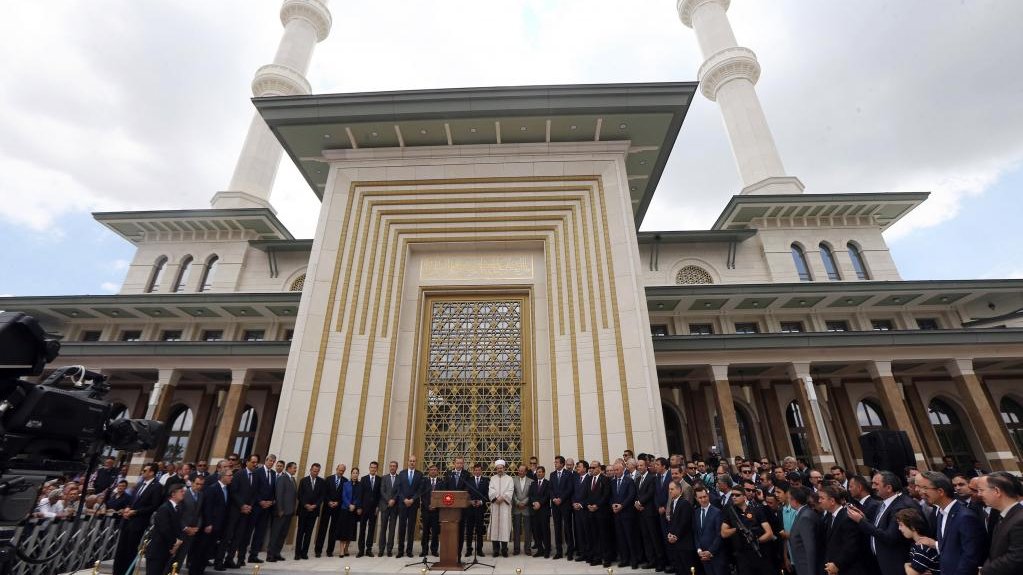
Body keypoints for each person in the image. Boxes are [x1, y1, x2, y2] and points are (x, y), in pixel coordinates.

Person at [915, 470, 985, 575]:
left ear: (940, 491)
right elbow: (950, 547)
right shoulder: (940, 514)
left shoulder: (965, 517)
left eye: (924, 488)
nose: (919, 491)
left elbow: (971, 557)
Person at [846, 471, 914, 575]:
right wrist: (864, 519)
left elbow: (890, 537)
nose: (872, 487)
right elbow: (879, 529)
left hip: (897, 564)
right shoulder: (883, 503)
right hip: (884, 563)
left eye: (876, 484)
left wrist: (861, 521)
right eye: (872, 483)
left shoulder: (900, 506)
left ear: (889, 488)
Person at [112, 463, 164, 575]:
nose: (142, 472)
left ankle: (127, 572)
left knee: (130, 550)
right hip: (127, 521)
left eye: (145, 470)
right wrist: (127, 509)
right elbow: (132, 500)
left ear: (151, 472)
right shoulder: (140, 484)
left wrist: (135, 512)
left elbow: (154, 506)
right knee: (121, 549)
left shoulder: (157, 486)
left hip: (138, 523)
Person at [721, 485, 774, 575]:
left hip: (759, 553)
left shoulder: (756, 510)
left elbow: (769, 533)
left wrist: (756, 540)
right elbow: (723, 533)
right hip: (742, 556)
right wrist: (737, 529)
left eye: (737, 495)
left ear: (744, 497)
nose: (734, 497)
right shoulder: (730, 512)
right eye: (732, 495)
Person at [977, 471, 1023, 575]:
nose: (979, 494)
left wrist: (985, 571)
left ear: (997, 491)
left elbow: (1016, 558)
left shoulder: (1020, 519)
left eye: (981, 490)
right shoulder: (1003, 516)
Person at [817, 484, 866, 575]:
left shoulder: (846, 517)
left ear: (832, 501)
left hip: (850, 569)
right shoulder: (830, 517)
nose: (819, 501)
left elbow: (851, 546)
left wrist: (837, 565)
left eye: (822, 498)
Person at [147, 483, 186, 575]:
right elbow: (165, 530)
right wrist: (174, 545)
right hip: (158, 552)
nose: (183, 493)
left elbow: (177, 527)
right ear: (173, 494)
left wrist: (179, 541)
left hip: (166, 551)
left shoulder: (178, 509)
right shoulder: (164, 508)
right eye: (181, 491)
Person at [635, 458, 664, 570]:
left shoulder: (652, 477)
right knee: (646, 538)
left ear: (646, 466)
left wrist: (640, 502)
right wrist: (637, 503)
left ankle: (660, 562)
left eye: (641, 465)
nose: (639, 467)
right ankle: (651, 560)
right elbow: (637, 494)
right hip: (641, 513)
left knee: (655, 538)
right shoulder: (637, 479)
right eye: (638, 466)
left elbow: (651, 492)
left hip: (650, 512)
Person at [248, 454, 277, 563]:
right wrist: (260, 501)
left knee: (260, 533)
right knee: (249, 531)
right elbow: (254, 489)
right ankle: (241, 555)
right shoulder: (257, 472)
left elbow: (274, 490)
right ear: (266, 460)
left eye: (273, 462)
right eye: (270, 461)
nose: (271, 463)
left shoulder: (274, 474)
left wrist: (271, 501)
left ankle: (253, 555)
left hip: (267, 509)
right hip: (256, 507)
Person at [582, 459, 612, 567]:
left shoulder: (605, 479)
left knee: (604, 536)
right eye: (590, 467)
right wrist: (588, 505)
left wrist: (597, 505)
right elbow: (585, 495)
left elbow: (606, 495)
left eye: (593, 467)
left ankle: (607, 558)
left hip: (601, 512)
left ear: (599, 468)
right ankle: (597, 557)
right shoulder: (589, 479)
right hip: (591, 512)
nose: (591, 469)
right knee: (594, 535)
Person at [203, 469, 233, 572]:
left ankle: (218, 563)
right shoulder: (213, 488)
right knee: (208, 544)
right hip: (213, 523)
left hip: (223, 523)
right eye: (229, 475)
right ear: (223, 477)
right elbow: (208, 507)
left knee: (222, 544)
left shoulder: (228, 489)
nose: (231, 477)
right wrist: (208, 523)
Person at [894, 507, 940, 575]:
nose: (899, 528)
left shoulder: (922, 546)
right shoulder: (916, 544)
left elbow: (912, 574)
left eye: (901, 525)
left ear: (912, 527)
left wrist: (906, 565)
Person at [611, 461, 639, 569]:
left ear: (622, 470)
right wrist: (613, 505)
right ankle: (624, 559)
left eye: (617, 470)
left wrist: (622, 505)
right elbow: (611, 496)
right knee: (621, 538)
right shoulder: (613, 482)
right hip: (617, 514)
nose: (615, 472)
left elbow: (631, 495)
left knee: (630, 537)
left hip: (627, 513)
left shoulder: (629, 480)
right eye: (614, 470)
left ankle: (634, 560)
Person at [663, 480, 695, 575]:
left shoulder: (684, 503)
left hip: (685, 543)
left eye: (672, 489)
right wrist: (670, 533)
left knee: (687, 569)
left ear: (679, 490)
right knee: (679, 568)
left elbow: (684, 523)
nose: (670, 491)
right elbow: (673, 522)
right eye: (669, 489)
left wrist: (675, 536)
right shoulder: (673, 503)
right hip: (677, 543)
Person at [268, 461, 297, 562]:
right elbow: (279, 495)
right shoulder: (282, 478)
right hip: (281, 512)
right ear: (288, 468)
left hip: (289, 512)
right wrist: (280, 509)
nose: (295, 470)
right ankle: (270, 554)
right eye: (294, 468)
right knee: (276, 533)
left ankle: (277, 553)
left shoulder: (292, 479)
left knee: (283, 534)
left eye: (296, 468)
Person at [396, 455, 424, 558]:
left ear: (415, 462)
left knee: (411, 528)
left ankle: (409, 551)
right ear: (408, 462)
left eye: (414, 461)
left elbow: (420, 490)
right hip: (403, 504)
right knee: (402, 528)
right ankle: (400, 551)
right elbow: (398, 489)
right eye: (410, 461)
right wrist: (404, 499)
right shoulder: (402, 474)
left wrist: (412, 499)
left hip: (413, 504)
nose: (412, 462)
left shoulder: (419, 474)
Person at [694, 485, 726, 575]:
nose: (703, 500)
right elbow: (696, 533)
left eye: (705, 497)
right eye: (700, 498)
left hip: (716, 556)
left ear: (708, 496)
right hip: (703, 556)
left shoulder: (717, 512)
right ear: (696, 498)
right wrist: (699, 550)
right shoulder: (696, 513)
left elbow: (719, 534)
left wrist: (710, 551)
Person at [296, 463, 325, 560]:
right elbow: (300, 495)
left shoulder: (321, 482)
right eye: (314, 470)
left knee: (309, 533)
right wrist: (306, 505)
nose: (315, 472)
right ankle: (297, 553)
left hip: (314, 511)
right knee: (300, 532)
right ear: (310, 470)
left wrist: (315, 505)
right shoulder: (303, 480)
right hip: (303, 510)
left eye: (317, 471)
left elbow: (322, 496)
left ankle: (304, 553)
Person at [317, 463, 347, 557]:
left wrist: (338, 502)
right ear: (336, 469)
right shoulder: (328, 479)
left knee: (333, 530)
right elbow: (323, 493)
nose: (341, 472)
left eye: (342, 471)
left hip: (337, 509)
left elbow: (344, 495)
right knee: (322, 529)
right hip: (327, 507)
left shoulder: (345, 481)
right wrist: (329, 501)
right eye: (339, 470)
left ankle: (330, 551)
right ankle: (318, 550)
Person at [788, 486, 818, 575]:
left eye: (789, 499)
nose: (788, 501)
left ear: (795, 500)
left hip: (807, 568)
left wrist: (811, 572)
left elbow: (810, 548)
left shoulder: (805, 517)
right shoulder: (803, 513)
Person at [488, 459, 515, 557]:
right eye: (498, 468)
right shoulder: (492, 478)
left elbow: (510, 490)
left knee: (504, 528)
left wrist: (503, 497)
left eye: (501, 468)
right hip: (495, 505)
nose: (499, 470)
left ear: (504, 468)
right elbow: (491, 490)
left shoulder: (509, 479)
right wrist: (496, 498)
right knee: (495, 528)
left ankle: (504, 550)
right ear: (496, 469)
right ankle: (495, 550)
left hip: (504, 506)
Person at [177, 475, 204, 572]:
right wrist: (185, 527)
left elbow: (200, 513)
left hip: (192, 531)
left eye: (201, 484)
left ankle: (176, 572)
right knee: (175, 555)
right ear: (192, 483)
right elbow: (179, 513)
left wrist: (197, 527)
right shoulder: (184, 494)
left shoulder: (201, 495)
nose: (199, 486)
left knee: (182, 555)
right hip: (181, 530)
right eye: (197, 484)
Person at [550, 456, 573, 560]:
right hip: (555, 505)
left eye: (557, 462)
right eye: (554, 462)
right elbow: (550, 489)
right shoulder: (552, 474)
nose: (555, 464)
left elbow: (570, 488)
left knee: (567, 528)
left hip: (565, 505)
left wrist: (561, 499)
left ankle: (570, 551)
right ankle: (559, 551)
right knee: (557, 528)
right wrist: (554, 498)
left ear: (562, 464)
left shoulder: (568, 474)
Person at [357, 461, 382, 557]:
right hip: (364, 508)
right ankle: (361, 550)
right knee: (362, 529)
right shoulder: (363, 479)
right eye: (371, 467)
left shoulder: (380, 479)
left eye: (375, 467)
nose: (373, 469)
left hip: (374, 509)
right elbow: (360, 494)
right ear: (369, 468)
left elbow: (380, 495)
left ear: (377, 469)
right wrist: (359, 507)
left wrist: (378, 507)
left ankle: (369, 549)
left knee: (371, 530)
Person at [464, 462, 489, 557]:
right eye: (475, 470)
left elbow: (487, 495)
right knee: (469, 530)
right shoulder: (468, 480)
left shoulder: (486, 480)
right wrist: (470, 501)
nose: (477, 472)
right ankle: (469, 549)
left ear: (481, 471)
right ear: (473, 471)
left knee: (479, 530)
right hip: (470, 509)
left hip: (480, 509)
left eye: (479, 470)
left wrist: (481, 502)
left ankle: (479, 550)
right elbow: (465, 493)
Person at [378, 460, 400, 556]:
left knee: (392, 529)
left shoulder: (400, 478)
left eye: (394, 466)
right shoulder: (384, 478)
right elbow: (382, 491)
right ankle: (381, 549)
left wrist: (393, 500)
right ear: (389, 467)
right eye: (391, 466)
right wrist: (388, 500)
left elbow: (399, 491)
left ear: (396, 467)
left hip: (395, 507)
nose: (392, 467)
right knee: (383, 528)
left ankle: (389, 549)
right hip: (385, 506)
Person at [420, 464, 443, 557]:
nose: (433, 471)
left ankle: (434, 550)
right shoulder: (424, 481)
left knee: (435, 532)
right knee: (425, 531)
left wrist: (435, 505)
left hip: (436, 511)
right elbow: (422, 495)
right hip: (426, 510)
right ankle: (424, 550)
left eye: (435, 470)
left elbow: (442, 496)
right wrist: (427, 505)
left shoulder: (441, 482)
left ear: (437, 471)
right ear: (429, 471)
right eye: (431, 470)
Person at [529, 465, 552, 557]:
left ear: (543, 473)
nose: (538, 474)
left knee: (545, 531)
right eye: (537, 472)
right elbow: (530, 495)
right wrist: (534, 502)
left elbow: (547, 495)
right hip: (535, 511)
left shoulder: (548, 483)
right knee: (536, 531)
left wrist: (540, 503)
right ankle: (540, 550)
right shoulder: (533, 483)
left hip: (544, 511)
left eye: (540, 472)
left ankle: (547, 550)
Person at [335, 466, 358, 558]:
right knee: (343, 530)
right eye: (353, 473)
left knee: (350, 531)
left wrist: (354, 505)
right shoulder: (345, 484)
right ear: (351, 474)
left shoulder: (360, 485)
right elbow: (343, 496)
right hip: (345, 509)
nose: (355, 474)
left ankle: (346, 549)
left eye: (356, 473)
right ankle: (341, 550)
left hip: (354, 510)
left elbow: (359, 496)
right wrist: (349, 505)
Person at [570, 460, 590, 562]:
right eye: (577, 466)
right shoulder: (576, 478)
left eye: (579, 466)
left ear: (585, 468)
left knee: (587, 532)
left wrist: (581, 504)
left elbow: (590, 495)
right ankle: (582, 553)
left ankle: (589, 553)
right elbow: (573, 493)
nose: (577, 468)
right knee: (579, 532)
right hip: (576, 510)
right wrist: (574, 503)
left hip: (585, 510)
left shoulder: (589, 479)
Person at [511, 464, 534, 555]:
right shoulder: (513, 480)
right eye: (519, 470)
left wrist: (524, 502)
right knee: (516, 529)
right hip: (516, 508)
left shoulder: (531, 481)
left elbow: (531, 495)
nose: (519, 472)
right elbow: (512, 493)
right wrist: (517, 502)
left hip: (526, 508)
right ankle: (516, 549)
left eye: (522, 471)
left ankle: (527, 549)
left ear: (526, 472)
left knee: (527, 530)